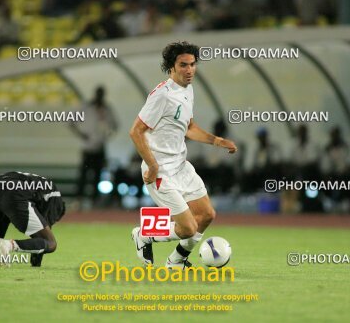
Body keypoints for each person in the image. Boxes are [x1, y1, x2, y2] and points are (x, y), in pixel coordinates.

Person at [129, 41, 237, 269]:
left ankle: (176, 261)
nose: (189, 70)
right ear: (172, 66)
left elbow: (189, 127)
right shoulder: (162, 95)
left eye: (193, 64)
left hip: (181, 167)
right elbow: (136, 131)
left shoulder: (188, 90)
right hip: (159, 171)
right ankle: (144, 235)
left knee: (207, 215)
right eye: (183, 65)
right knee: (187, 228)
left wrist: (217, 141)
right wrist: (153, 165)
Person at [69, 86, 118, 208]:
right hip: (87, 147)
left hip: (100, 147)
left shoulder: (107, 109)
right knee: (84, 175)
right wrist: (81, 134)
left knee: (96, 176)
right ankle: (78, 200)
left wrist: (106, 137)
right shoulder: (86, 107)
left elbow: (115, 125)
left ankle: (94, 201)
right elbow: (71, 121)